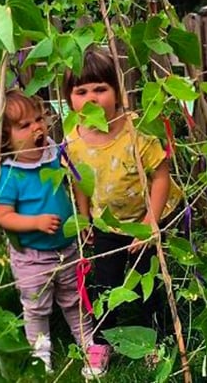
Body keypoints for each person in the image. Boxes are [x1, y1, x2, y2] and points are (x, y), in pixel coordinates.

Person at [63, 47, 183, 377]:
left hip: (145, 220)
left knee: (150, 283)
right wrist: (84, 216)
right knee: (105, 285)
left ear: (117, 91)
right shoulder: (72, 139)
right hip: (107, 224)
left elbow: (161, 175)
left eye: (100, 89)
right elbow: (79, 180)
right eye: (81, 91)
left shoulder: (137, 131)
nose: (91, 98)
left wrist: (151, 222)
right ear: (69, 98)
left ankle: (153, 341)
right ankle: (101, 343)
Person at [0, 89, 104, 377]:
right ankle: (41, 352)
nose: (37, 127)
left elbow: (77, 180)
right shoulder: (10, 174)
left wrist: (81, 217)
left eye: (39, 119)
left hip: (65, 247)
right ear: (6, 138)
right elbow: (2, 216)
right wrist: (35, 222)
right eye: (25, 125)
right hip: (32, 256)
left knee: (74, 299)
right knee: (36, 308)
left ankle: (89, 342)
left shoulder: (54, 153)